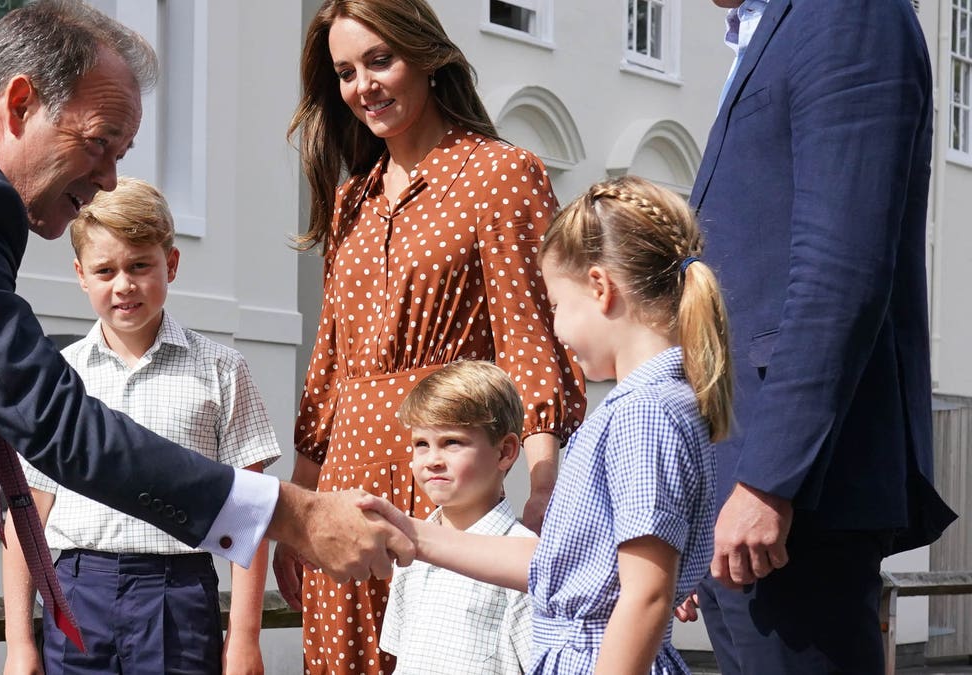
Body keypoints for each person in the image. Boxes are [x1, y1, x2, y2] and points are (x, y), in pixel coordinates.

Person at [0, 2, 411, 673]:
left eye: (121, 153)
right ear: (19, 103)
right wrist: (296, 515)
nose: (108, 177)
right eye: (100, 141)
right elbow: (55, 423)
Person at [272, 0, 585, 671]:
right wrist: (301, 513)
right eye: (347, 72)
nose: (363, 86)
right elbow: (327, 367)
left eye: (380, 60)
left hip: (445, 468)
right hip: (346, 479)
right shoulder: (352, 200)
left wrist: (545, 481)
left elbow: (533, 338)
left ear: (427, 57)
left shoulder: (500, 174)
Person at [687, 1, 957, 671]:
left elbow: (842, 267)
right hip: (739, 475)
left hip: (796, 491)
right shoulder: (775, 30)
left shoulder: (849, 12)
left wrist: (772, 477)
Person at [368, 175, 731, 673]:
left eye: (557, 306)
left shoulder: (643, 413)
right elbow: (557, 571)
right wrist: (413, 533)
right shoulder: (653, 405)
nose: (556, 329)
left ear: (601, 288)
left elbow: (645, 595)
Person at [0, 177, 279, 675]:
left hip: (178, 597)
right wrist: (19, 644)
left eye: (139, 265)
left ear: (170, 263)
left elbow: (249, 517)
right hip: (76, 592)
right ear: (81, 275)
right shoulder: (57, 377)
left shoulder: (221, 371)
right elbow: (26, 518)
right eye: (105, 270)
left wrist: (244, 638)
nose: (123, 284)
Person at [379, 360, 535, 675]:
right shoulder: (410, 549)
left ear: (505, 452)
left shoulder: (525, 562)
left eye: (452, 442)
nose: (432, 460)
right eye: (421, 444)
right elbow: (402, 658)